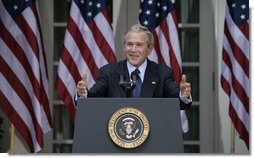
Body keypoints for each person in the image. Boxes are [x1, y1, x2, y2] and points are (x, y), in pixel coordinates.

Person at [76, 24, 192, 109]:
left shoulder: (163, 73)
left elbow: (177, 101)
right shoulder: (108, 72)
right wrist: (83, 94)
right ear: (124, 47)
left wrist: (182, 94)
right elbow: (92, 98)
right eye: (129, 44)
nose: (133, 49)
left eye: (139, 45)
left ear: (149, 49)